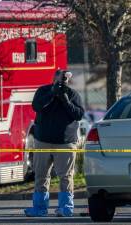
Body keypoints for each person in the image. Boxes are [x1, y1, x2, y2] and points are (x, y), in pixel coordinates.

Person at [24, 70, 84, 217]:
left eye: (65, 80)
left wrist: (65, 100)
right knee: (41, 175)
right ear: (54, 78)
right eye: (60, 79)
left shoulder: (72, 94)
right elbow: (36, 106)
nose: (63, 82)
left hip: (65, 142)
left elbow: (78, 114)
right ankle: (39, 208)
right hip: (43, 141)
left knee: (66, 176)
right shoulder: (43, 91)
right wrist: (52, 93)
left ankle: (66, 208)